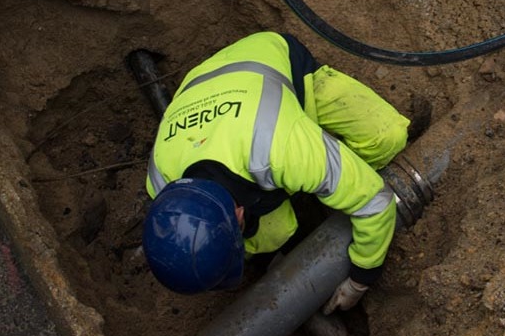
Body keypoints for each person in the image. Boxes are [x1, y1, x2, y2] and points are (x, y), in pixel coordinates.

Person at [143, 31, 410, 313]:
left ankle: (334, 174)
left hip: (274, 62)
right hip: (204, 86)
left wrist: (361, 279)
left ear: (239, 213)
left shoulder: (279, 147)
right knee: (274, 231)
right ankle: (322, 183)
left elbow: (376, 202)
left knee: (387, 138)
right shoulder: (159, 178)